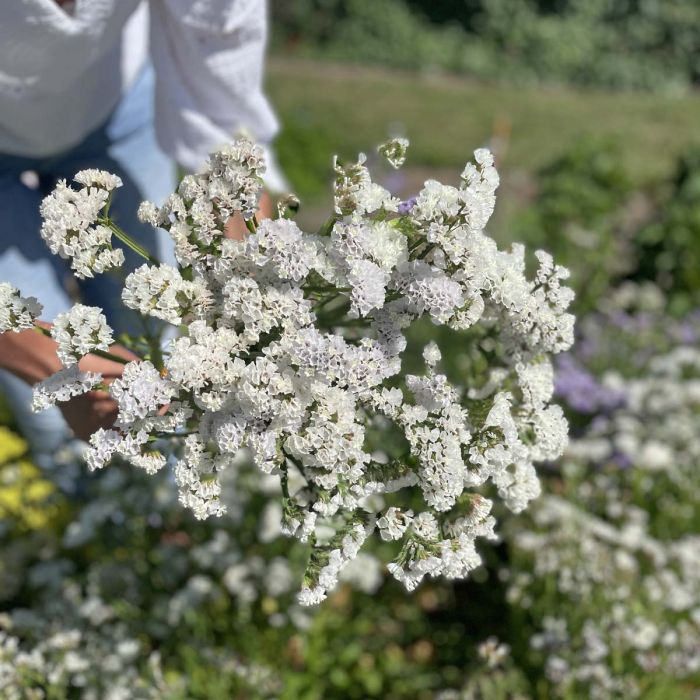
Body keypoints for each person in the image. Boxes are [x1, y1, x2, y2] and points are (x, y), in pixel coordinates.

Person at [0, 0, 284, 469]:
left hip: (115, 102)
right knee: (60, 412)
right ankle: (80, 521)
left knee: (157, 339)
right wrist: (55, 368)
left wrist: (251, 296)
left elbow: (222, 101)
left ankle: (176, 515)